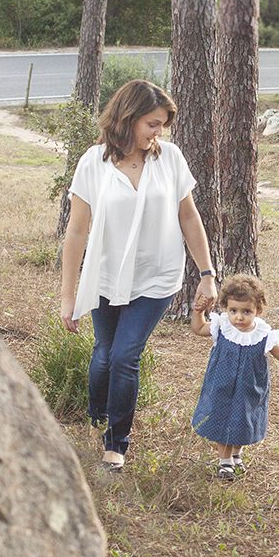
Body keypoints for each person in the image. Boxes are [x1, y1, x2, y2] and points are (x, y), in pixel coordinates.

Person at [58, 79, 216, 470]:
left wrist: (207, 273)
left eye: (162, 125)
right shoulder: (92, 163)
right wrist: (68, 295)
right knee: (103, 356)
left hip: (155, 277)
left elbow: (188, 217)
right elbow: (77, 231)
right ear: (127, 118)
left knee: (126, 355)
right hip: (106, 276)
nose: (158, 132)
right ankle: (96, 422)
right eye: (152, 123)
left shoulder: (170, 158)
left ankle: (116, 445)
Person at [189, 273, 279, 479]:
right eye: (233, 310)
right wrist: (198, 311)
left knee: (243, 420)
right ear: (226, 308)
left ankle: (236, 454)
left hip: (249, 388)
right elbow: (199, 328)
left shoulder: (263, 334)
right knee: (222, 418)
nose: (239, 317)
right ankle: (224, 461)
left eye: (247, 311)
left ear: (258, 311)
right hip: (221, 385)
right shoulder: (223, 326)